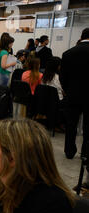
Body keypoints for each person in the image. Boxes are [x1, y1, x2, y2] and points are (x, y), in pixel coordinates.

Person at [61, 28, 89, 160]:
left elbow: (62, 77)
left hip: (72, 94)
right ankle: (85, 153)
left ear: (81, 36)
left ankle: (69, 151)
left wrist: (67, 89)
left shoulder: (68, 54)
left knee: (71, 124)